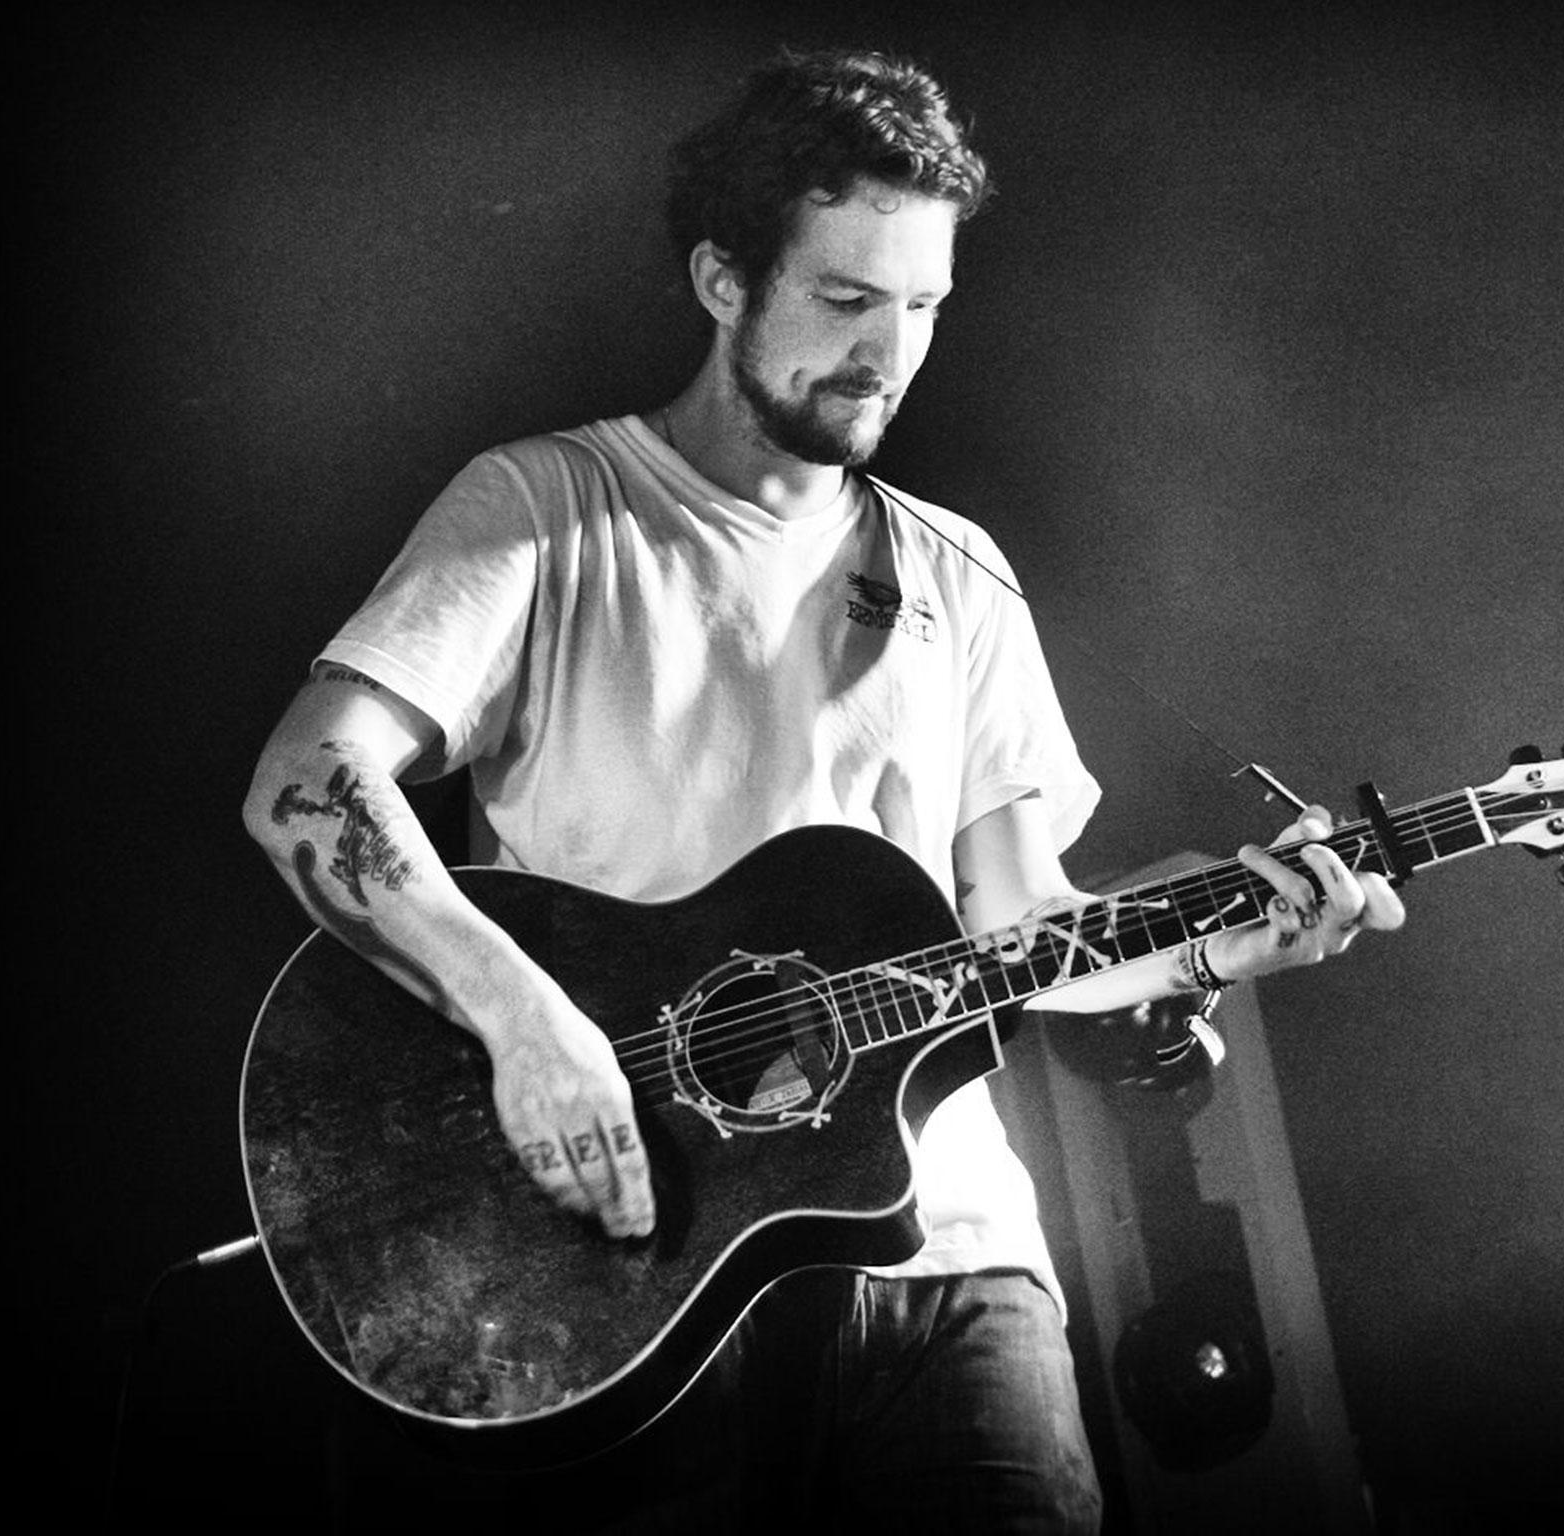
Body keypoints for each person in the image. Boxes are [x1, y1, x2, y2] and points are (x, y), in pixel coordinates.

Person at [243, 45, 1402, 1533]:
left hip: (950, 1256)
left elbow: (1027, 927)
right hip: (644, 1264)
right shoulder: (548, 510)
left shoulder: (959, 574)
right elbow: (309, 778)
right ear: (725, 279)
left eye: (922, 308)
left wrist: (1222, 943)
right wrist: (525, 1023)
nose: (889, 354)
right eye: (846, 301)